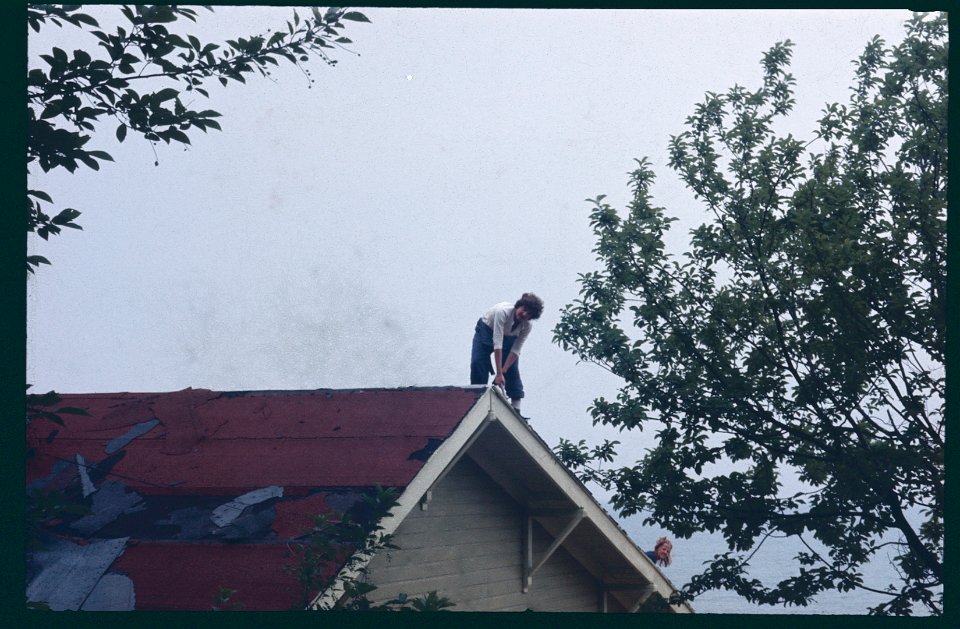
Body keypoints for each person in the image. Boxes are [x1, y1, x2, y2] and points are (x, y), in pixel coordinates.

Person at [470, 293, 544, 414]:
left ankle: (516, 407)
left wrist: (503, 371)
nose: (525, 314)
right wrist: (498, 373)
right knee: (478, 362)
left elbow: (516, 350)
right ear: (519, 306)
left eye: (529, 314)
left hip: (509, 337)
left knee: (512, 368)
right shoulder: (502, 312)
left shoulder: (526, 326)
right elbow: (497, 344)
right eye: (524, 310)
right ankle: (478, 398)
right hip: (486, 330)